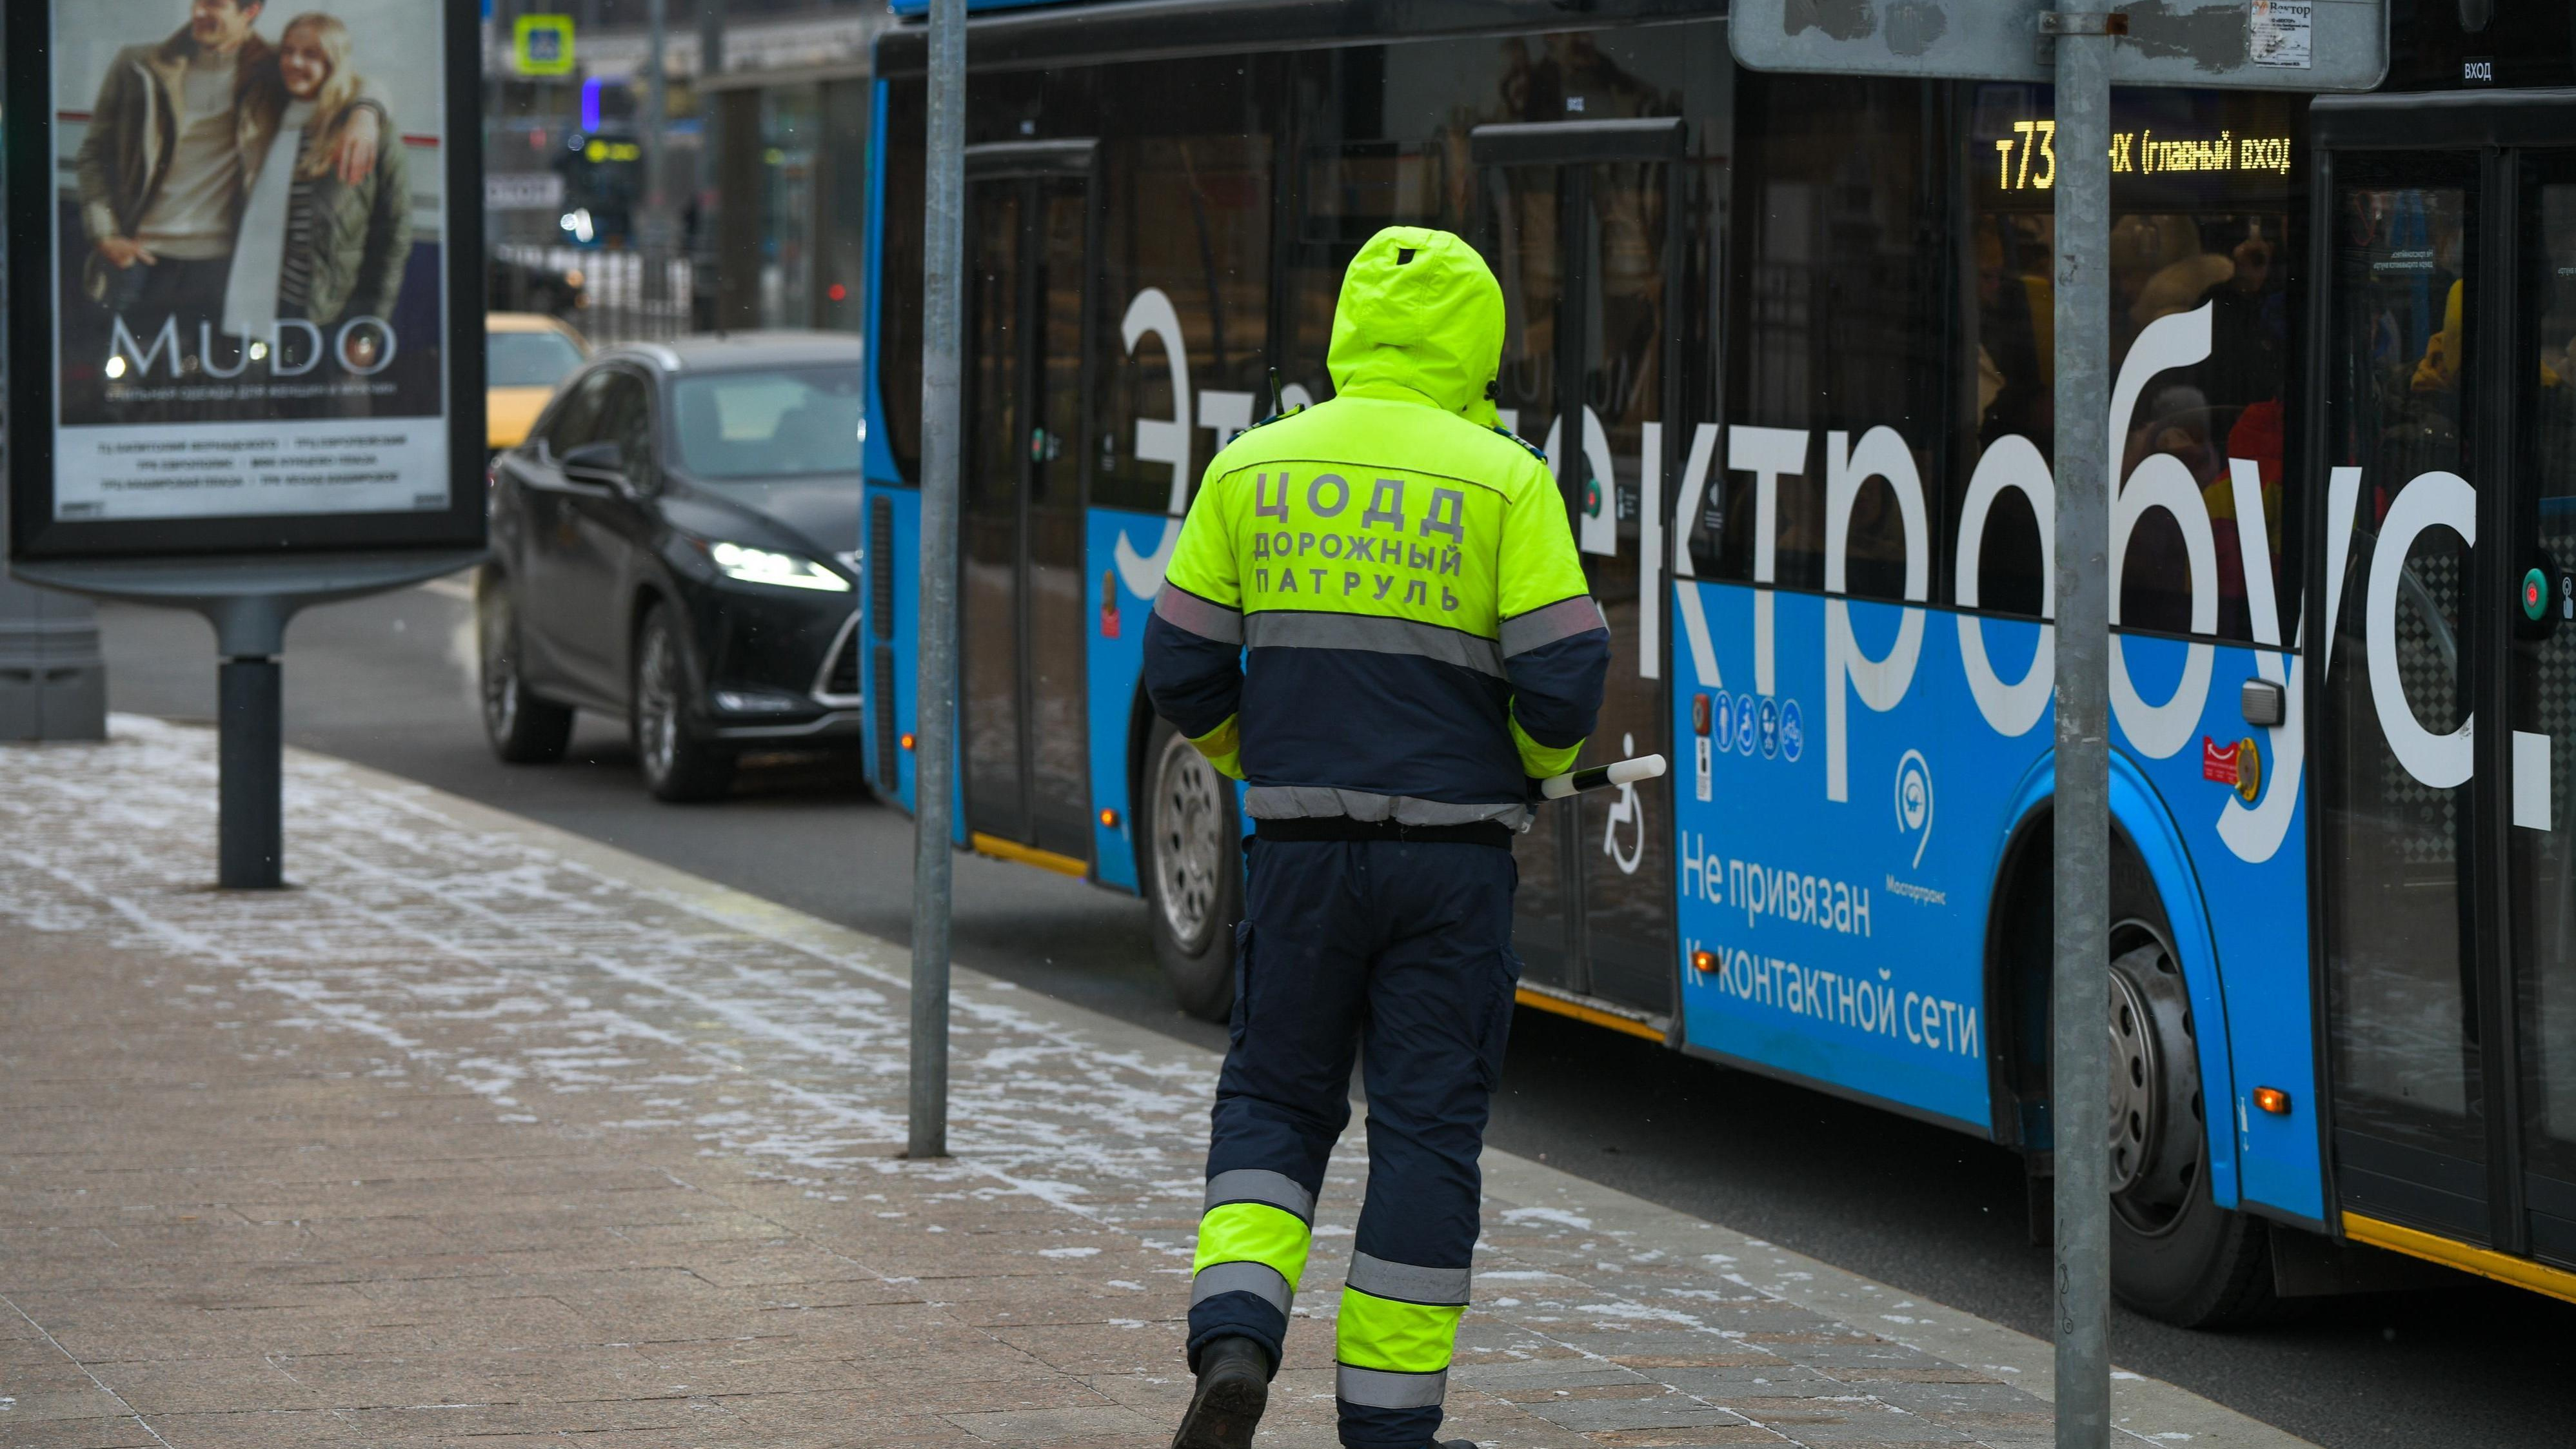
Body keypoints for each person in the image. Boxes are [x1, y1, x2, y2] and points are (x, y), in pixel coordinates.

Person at [1142, 225, 1610, 1449]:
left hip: (1297, 859)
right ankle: (1389, 1429)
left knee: (1274, 1102)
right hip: (1450, 871)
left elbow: (1180, 672)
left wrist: (1267, 761)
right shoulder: (1503, 478)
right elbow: (1563, 683)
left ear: (1347, 326)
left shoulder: (1254, 467)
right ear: (1479, 341)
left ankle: (1236, 1340)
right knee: (1423, 1133)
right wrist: (1531, 769)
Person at [74, 0, 383, 351]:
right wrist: (104, 233)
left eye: (215, 5)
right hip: (138, 259)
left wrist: (366, 113)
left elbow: (351, 77)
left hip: (223, 268)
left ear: (250, 11)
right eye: (198, 3)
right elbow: (93, 155)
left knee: (201, 391)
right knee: (120, 388)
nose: (199, 13)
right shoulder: (139, 65)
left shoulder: (271, 68)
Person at [221, 12, 411, 351]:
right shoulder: (267, 114)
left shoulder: (367, 131)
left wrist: (369, 327)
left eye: (311, 54)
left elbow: (394, 235)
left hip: (328, 319)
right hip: (256, 308)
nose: (294, 62)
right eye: (288, 51)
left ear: (334, 61)